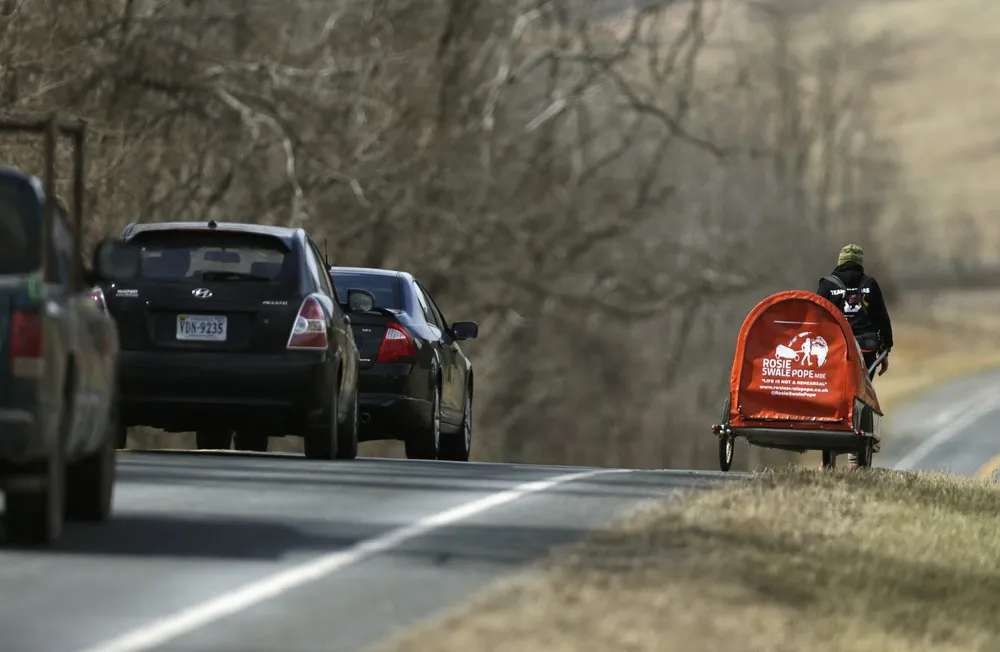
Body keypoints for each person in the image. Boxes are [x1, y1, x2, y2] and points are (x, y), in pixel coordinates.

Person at [816, 243, 893, 377]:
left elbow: (817, 318)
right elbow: (882, 318)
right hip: (866, 347)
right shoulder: (870, 284)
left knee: (835, 384)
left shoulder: (827, 284)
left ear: (840, 261)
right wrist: (885, 348)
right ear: (860, 263)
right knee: (863, 387)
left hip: (836, 346)